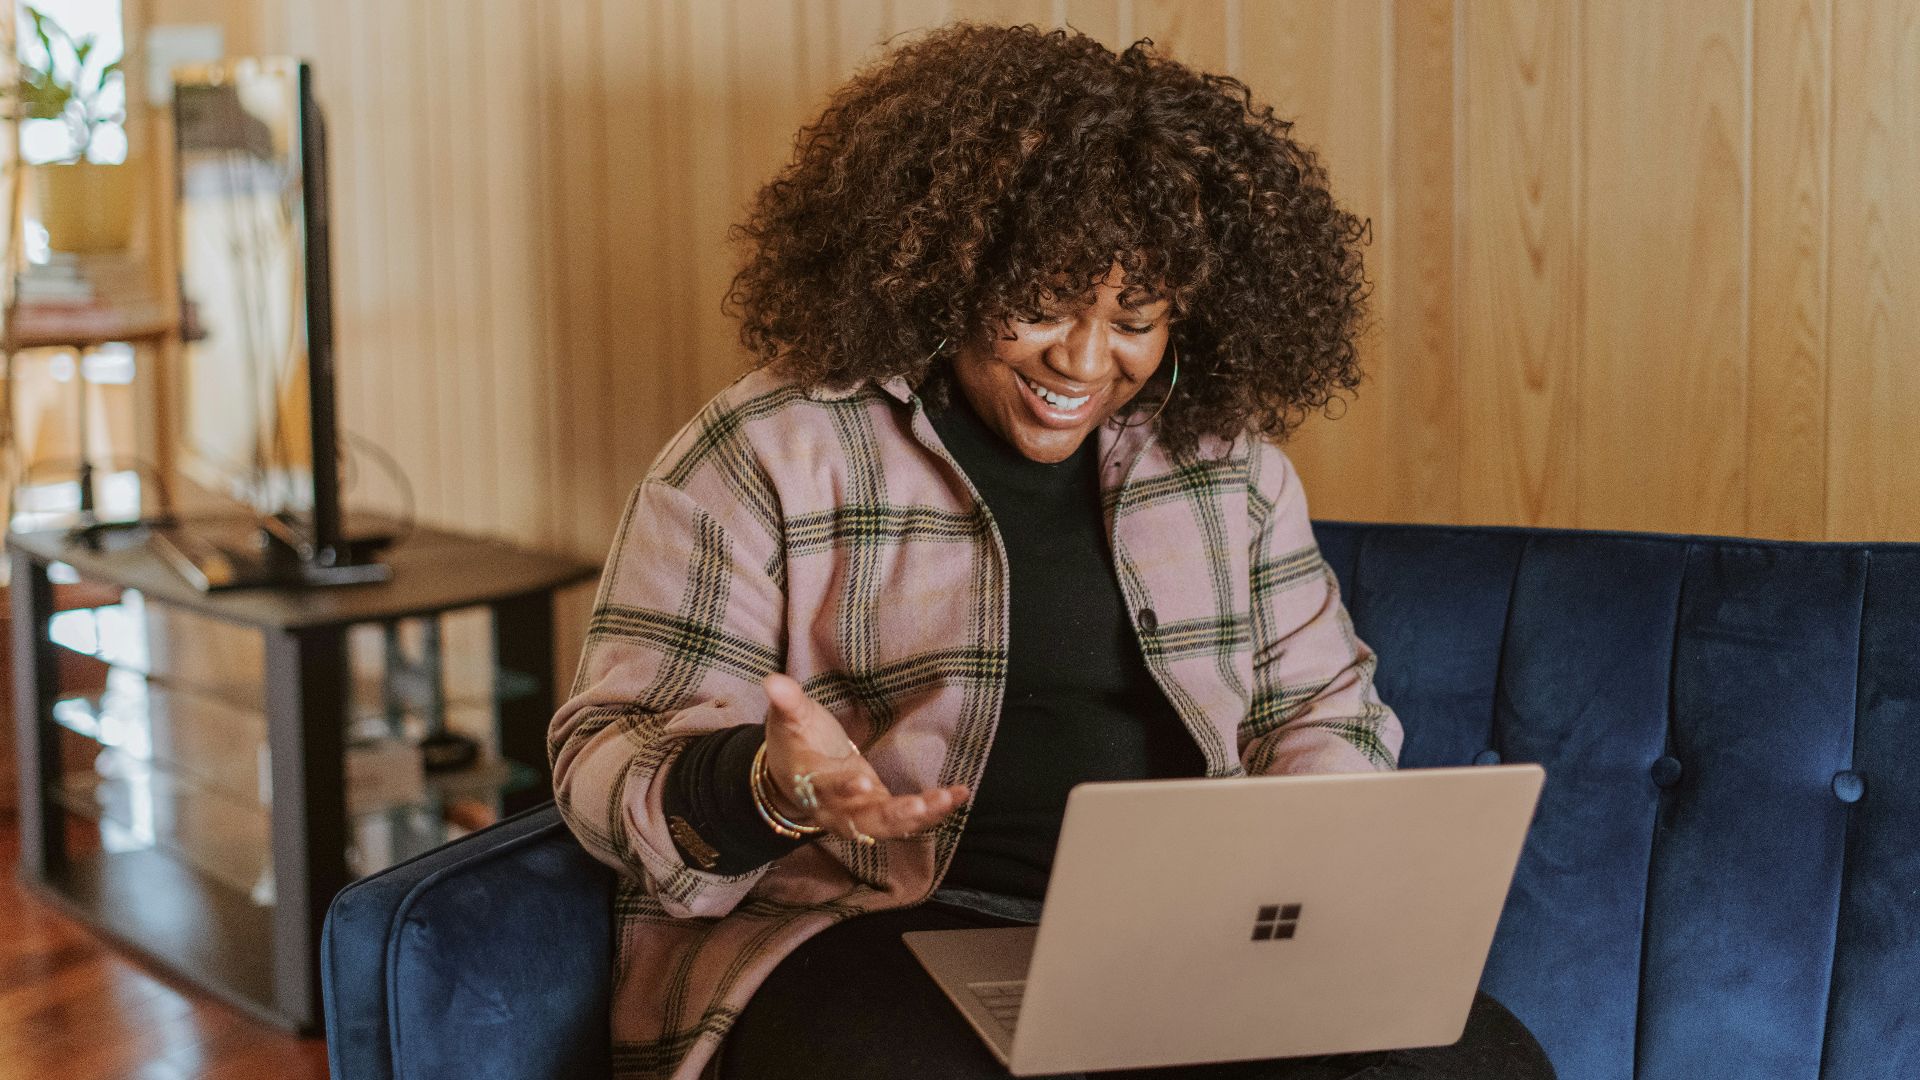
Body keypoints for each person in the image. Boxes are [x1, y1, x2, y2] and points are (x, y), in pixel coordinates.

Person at [549, 22, 1555, 1080]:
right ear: (948, 271)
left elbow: (1321, 710)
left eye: (1135, 317)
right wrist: (766, 786)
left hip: (1176, 941)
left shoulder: (1230, 468)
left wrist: (1301, 872)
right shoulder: (771, 449)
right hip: (865, 927)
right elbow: (606, 752)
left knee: (1481, 1064)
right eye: (1040, 306)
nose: (1082, 360)